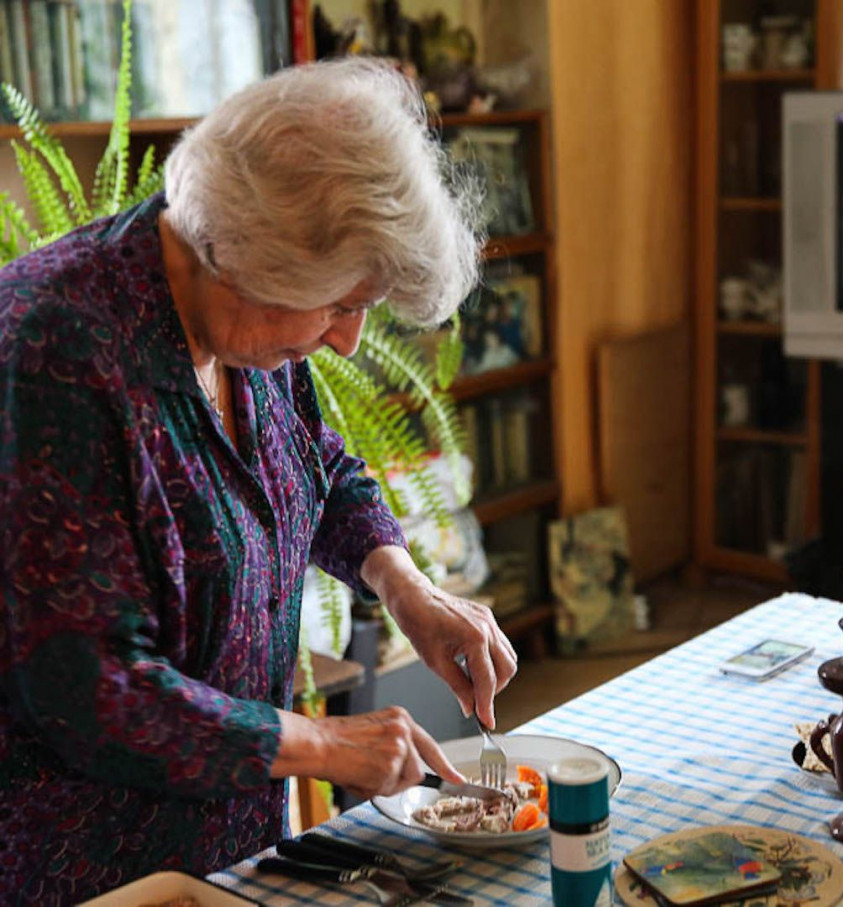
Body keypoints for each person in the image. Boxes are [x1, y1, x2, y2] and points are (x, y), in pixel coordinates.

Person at [0, 58, 517, 902]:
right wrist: (321, 742)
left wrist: (407, 585)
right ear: (246, 258)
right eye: (343, 304)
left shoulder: (249, 322)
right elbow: (87, 685)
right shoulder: (51, 350)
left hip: (228, 852)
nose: (349, 341)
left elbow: (316, 464)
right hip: (95, 869)